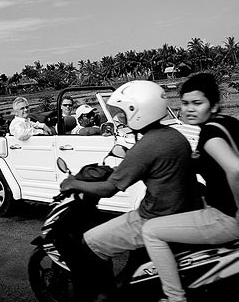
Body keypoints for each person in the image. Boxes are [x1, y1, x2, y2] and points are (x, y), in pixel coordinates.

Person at [141, 73, 239, 302]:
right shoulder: (230, 123)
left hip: (227, 218)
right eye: (184, 103)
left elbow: (235, 169)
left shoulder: (209, 135)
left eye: (197, 103)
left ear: (214, 105)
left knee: (151, 231)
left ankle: (175, 297)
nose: (189, 109)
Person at [59, 81, 202, 302]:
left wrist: (72, 183)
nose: (121, 118)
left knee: (90, 241)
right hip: (183, 213)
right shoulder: (175, 136)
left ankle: (103, 294)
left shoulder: (148, 144)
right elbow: (150, 165)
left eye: (125, 112)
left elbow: (108, 189)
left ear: (139, 111)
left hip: (154, 217)